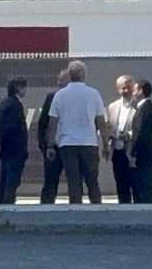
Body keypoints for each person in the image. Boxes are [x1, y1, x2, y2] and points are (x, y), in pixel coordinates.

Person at [45, 60, 110, 204]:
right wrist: (105, 144)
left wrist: (50, 145)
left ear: (70, 74)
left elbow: (53, 123)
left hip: (67, 143)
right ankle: (97, 211)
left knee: (73, 181)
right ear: (84, 74)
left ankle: (75, 210)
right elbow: (101, 122)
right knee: (92, 180)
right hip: (88, 142)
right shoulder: (93, 94)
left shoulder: (60, 95)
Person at [0, 77, 29, 205]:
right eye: (24, 88)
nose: (25, 91)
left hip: (6, 149)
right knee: (12, 180)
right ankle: (8, 204)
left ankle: (1, 203)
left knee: (5, 178)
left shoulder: (4, 103)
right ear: (19, 88)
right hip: (15, 148)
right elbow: (13, 127)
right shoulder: (15, 105)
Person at [36, 69, 70, 204]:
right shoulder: (52, 97)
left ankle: (76, 207)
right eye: (60, 82)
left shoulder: (77, 97)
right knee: (50, 180)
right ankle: (46, 206)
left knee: (75, 180)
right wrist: (44, 145)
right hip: (54, 145)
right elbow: (43, 122)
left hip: (70, 144)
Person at [128, 79, 152, 204]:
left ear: (141, 91)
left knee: (144, 187)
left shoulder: (144, 109)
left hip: (144, 156)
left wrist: (133, 153)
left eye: (135, 90)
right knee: (151, 185)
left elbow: (140, 134)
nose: (132, 93)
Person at [106, 75, 137, 204]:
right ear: (118, 89)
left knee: (135, 184)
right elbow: (108, 126)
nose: (126, 91)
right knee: (120, 184)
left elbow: (142, 128)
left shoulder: (139, 106)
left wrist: (129, 135)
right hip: (117, 152)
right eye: (123, 88)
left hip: (133, 152)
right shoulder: (112, 107)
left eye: (128, 88)